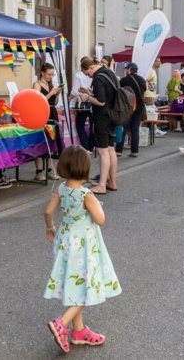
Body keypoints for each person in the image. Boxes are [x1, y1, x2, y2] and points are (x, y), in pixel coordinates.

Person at [43, 146, 120, 353]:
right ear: (85, 168)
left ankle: (79, 331)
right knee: (86, 286)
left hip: (65, 241)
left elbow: (48, 211)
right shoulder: (86, 194)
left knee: (74, 283)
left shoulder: (61, 189)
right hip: (83, 246)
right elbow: (100, 220)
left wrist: (50, 226)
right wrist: (98, 204)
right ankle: (62, 323)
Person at [78, 56, 118, 195]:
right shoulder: (109, 73)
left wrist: (87, 97)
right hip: (113, 116)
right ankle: (112, 182)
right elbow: (108, 95)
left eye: (86, 72)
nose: (88, 75)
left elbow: (101, 101)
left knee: (102, 151)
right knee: (111, 149)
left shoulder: (98, 77)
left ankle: (101, 185)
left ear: (90, 67)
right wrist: (89, 92)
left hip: (102, 118)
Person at [33, 64, 62, 180]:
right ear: (42, 73)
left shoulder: (51, 85)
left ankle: (50, 170)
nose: (51, 76)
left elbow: (54, 102)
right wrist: (51, 93)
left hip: (51, 113)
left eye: (52, 74)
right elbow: (36, 101)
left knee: (51, 142)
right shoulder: (37, 84)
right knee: (40, 141)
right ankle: (39, 171)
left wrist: (57, 94)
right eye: (49, 74)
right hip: (41, 114)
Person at [118, 63, 147, 158]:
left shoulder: (124, 80)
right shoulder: (142, 80)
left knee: (124, 128)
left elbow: (120, 91)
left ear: (130, 69)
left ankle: (118, 150)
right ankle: (135, 151)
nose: (126, 71)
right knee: (135, 129)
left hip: (128, 106)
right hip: (139, 106)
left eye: (126, 69)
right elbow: (144, 91)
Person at [69, 64, 94, 151]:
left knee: (80, 125)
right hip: (93, 102)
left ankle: (86, 147)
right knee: (93, 125)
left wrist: (68, 99)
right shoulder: (94, 74)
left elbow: (75, 90)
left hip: (83, 103)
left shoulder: (79, 75)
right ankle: (91, 146)